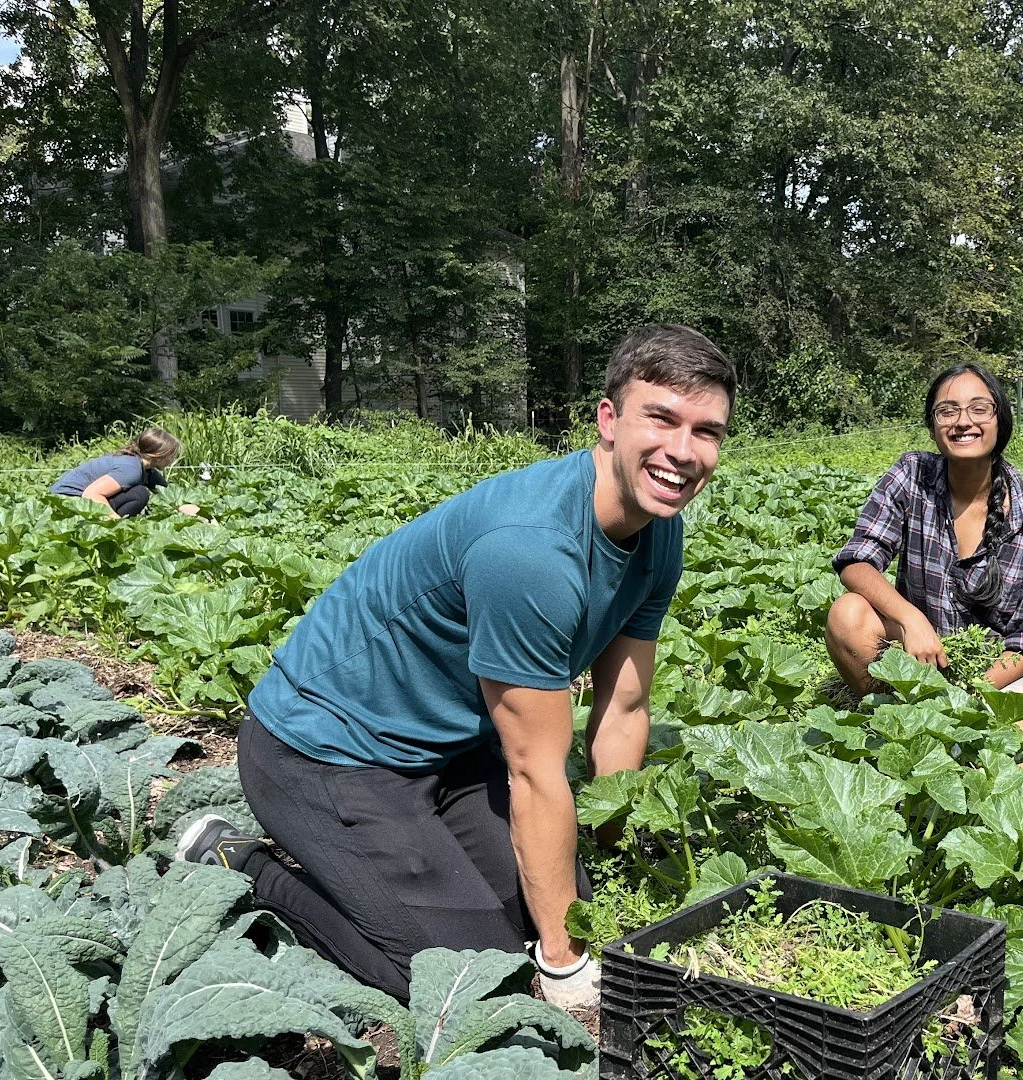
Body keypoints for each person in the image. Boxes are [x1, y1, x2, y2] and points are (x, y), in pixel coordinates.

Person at [174, 325, 735, 1010]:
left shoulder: (659, 531)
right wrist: (563, 968)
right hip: (323, 749)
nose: (683, 452)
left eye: (706, 432)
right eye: (663, 419)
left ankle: (396, 873)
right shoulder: (531, 553)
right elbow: (534, 772)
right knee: (469, 981)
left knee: (562, 903)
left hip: (453, 751)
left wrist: (609, 855)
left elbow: (622, 707)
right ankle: (243, 865)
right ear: (609, 420)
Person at [825, 362, 1023, 728]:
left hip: (1005, 674)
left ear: (1001, 421)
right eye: (947, 411)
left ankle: (924, 724)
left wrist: (964, 696)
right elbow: (857, 561)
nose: (963, 421)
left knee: (1022, 755)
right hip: (921, 650)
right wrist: (911, 618)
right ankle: (892, 723)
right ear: (933, 427)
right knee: (848, 614)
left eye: (979, 409)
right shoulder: (911, 477)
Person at [47, 427, 182, 516]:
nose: (173, 459)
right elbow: (91, 494)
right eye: (171, 455)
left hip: (77, 501)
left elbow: (173, 499)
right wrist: (117, 524)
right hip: (65, 502)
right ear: (157, 455)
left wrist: (201, 516)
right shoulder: (130, 469)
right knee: (139, 494)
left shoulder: (148, 471)